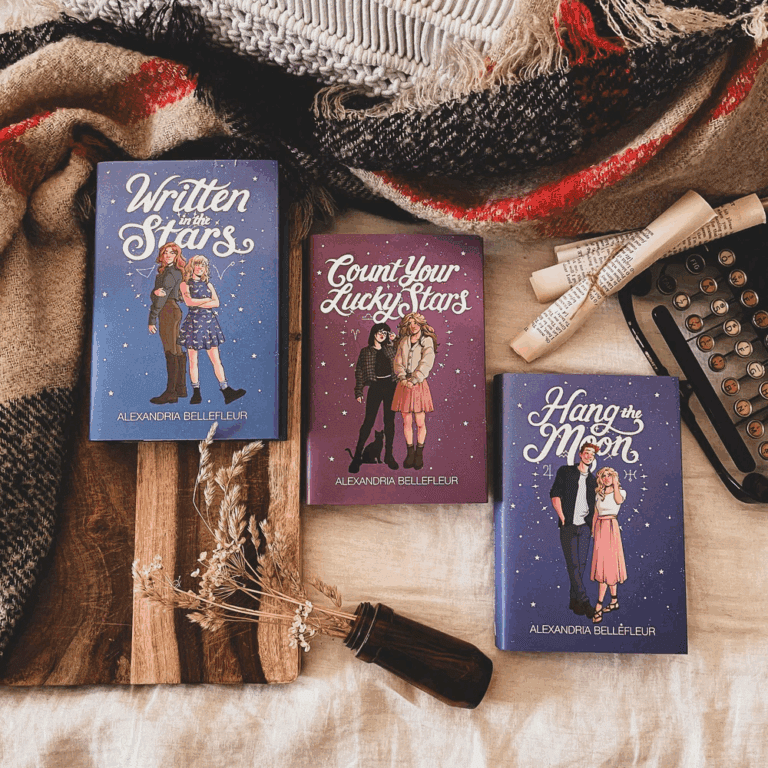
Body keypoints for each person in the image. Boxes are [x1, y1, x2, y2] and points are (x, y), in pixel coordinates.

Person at [177, 255, 245, 405]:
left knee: (216, 359)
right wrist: (207, 300)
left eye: (203, 265)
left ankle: (226, 390)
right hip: (193, 324)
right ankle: (196, 393)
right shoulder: (185, 284)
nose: (200, 268)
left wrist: (199, 302)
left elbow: (216, 303)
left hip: (209, 324)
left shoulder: (208, 284)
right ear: (192, 267)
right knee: (193, 360)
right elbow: (189, 302)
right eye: (197, 265)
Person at [549, 442, 599, 619]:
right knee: (573, 565)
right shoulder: (566, 471)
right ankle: (585, 601)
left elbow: (595, 506)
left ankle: (574, 601)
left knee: (581, 566)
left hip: (585, 527)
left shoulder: (593, 480)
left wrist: (592, 527)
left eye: (592, 454)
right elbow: (555, 494)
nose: (589, 456)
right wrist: (562, 517)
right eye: (587, 452)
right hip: (569, 525)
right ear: (580, 454)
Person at [391, 312, 438, 470]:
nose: (413, 326)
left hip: (418, 384)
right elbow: (398, 361)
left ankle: (419, 453)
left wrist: (415, 379)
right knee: (406, 421)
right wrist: (402, 377)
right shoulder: (404, 341)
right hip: (404, 384)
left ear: (421, 324)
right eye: (410, 323)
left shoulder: (427, 341)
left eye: (415, 323)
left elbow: (427, 361)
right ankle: (410, 453)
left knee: (420, 422)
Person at [349, 323, 398, 472]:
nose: (382, 335)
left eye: (385, 332)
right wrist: (359, 391)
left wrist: (395, 340)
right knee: (368, 421)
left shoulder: (390, 349)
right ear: (374, 333)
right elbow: (359, 371)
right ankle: (357, 456)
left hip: (391, 386)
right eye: (380, 332)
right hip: (375, 387)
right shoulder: (366, 352)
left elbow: (403, 352)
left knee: (389, 422)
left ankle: (388, 455)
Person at [147, 241, 187, 405]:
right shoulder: (170, 272)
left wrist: (152, 319)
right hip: (173, 310)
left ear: (177, 256)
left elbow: (161, 297)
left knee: (170, 350)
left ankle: (171, 393)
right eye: (165, 252)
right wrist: (154, 293)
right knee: (176, 349)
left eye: (172, 252)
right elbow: (157, 294)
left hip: (168, 311)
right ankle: (180, 388)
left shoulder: (170, 274)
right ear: (161, 255)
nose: (168, 255)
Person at [590, 466, 628, 624]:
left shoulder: (621, 492)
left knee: (608, 566)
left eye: (609, 475)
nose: (606, 478)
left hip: (611, 527)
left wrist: (616, 485)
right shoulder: (598, 494)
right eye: (603, 476)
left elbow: (618, 501)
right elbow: (595, 513)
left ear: (614, 477)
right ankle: (614, 601)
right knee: (604, 566)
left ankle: (598, 605)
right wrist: (593, 531)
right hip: (600, 529)